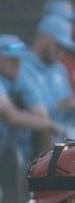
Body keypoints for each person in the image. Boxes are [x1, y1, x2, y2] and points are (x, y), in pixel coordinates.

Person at [0, 36, 58, 167]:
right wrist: (49, 124)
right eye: (11, 59)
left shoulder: (18, 78)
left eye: (18, 59)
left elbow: (41, 114)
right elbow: (11, 116)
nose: (17, 64)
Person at [23, 15, 75, 130]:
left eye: (64, 48)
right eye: (58, 46)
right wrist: (59, 107)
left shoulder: (60, 69)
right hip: (27, 143)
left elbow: (67, 107)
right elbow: (19, 112)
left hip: (59, 140)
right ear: (43, 38)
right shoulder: (20, 67)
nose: (61, 52)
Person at [40, 0, 75, 104]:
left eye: (71, 21)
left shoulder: (71, 64)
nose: (69, 26)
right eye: (65, 20)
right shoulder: (24, 66)